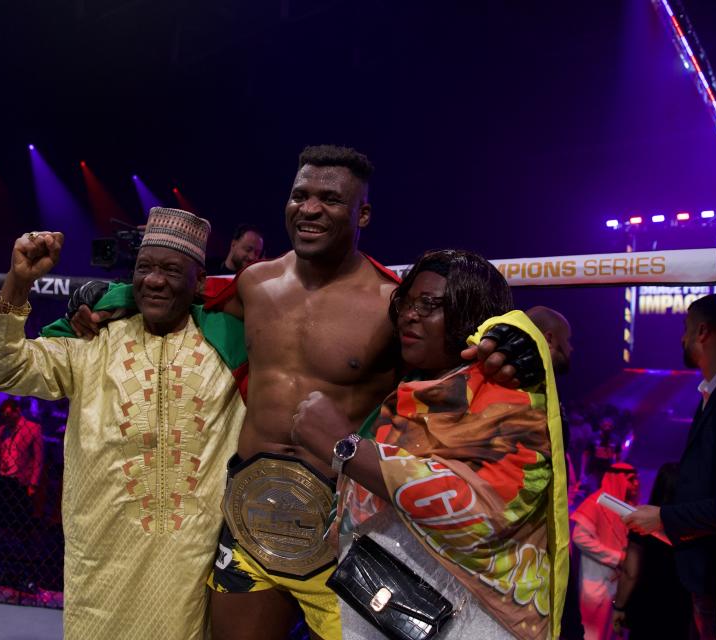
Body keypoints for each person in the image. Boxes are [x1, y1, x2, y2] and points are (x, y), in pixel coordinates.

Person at [66, 146, 543, 640]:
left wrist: (521, 336)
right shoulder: (255, 282)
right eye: (300, 195)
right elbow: (180, 296)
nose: (309, 208)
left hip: (340, 534)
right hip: (248, 520)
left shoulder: (392, 303)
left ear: (363, 214)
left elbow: (466, 347)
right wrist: (107, 296)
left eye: (330, 199)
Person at [0, 207, 248, 640]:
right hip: (100, 566)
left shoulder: (230, 348)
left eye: (171, 270)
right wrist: (19, 280)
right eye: (144, 268)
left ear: (198, 281)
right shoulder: (92, 338)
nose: (153, 280)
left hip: (189, 570)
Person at [291, 249, 569, 639]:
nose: (410, 314)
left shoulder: (511, 393)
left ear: (472, 313)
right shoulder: (413, 393)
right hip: (387, 608)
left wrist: (347, 447)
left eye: (430, 304)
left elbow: (483, 514)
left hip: (479, 622)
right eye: (407, 302)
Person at [624, 293, 716, 639]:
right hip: (703, 573)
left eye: (685, 328)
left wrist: (663, 517)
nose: (681, 338)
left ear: (702, 332)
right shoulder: (710, 394)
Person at [527, 305, 584, 640]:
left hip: (550, 536)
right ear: (549, 339)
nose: (572, 348)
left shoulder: (546, 388)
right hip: (533, 545)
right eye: (568, 340)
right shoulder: (522, 388)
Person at [611, 463, 692, 639]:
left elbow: (631, 572)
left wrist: (619, 606)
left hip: (646, 604)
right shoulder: (690, 526)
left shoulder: (642, 522)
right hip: (681, 606)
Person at [571, 463, 639, 640]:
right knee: (592, 634)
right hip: (596, 584)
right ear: (618, 479)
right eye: (631, 480)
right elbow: (579, 537)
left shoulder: (623, 507)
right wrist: (617, 558)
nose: (636, 484)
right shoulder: (595, 503)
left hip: (616, 585)